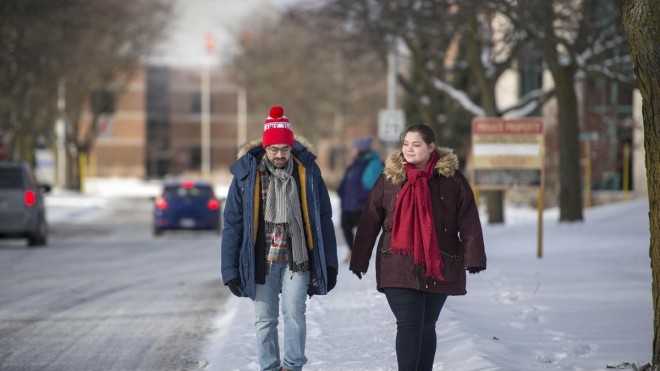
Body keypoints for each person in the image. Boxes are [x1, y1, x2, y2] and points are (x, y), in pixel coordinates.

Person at [349, 124, 486, 371]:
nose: (409, 150)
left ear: (431, 147)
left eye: (416, 145)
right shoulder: (389, 178)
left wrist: (473, 257)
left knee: (427, 326)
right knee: (409, 323)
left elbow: (468, 219)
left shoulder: (452, 180)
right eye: (406, 145)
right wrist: (360, 259)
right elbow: (370, 220)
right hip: (397, 262)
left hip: (439, 262)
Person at [221, 106, 338, 371]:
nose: (279, 155)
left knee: (295, 314)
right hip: (261, 259)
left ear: (291, 146)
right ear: (265, 148)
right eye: (273, 149)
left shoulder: (307, 172)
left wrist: (330, 263)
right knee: (265, 319)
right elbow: (233, 223)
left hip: (297, 258)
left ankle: (293, 366)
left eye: (284, 149)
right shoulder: (247, 175)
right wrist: (229, 268)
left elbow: (323, 219)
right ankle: (270, 367)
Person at [337, 136, 384, 262]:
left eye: (355, 147)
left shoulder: (373, 163)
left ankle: (358, 254)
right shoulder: (354, 164)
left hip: (361, 204)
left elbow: (376, 184)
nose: (353, 150)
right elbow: (345, 181)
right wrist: (340, 191)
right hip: (348, 204)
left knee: (362, 232)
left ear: (361, 149)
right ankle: (352, 251)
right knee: (345, 227)